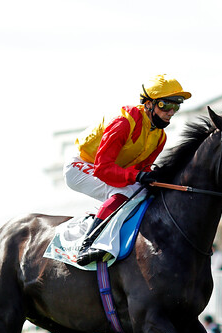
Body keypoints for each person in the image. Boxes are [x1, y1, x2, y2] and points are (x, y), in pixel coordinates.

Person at [64, 74, 191, 265]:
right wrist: (138, 175)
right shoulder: (123, 123)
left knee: (146, 193)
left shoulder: (160, 137)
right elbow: (103, 169)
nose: (171, 112)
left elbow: (140, 170)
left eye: (176, 106)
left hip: (108, 168)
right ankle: (89, 244)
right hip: (81, 165)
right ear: (148, 104)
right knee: (123, 193)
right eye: (166, 105)